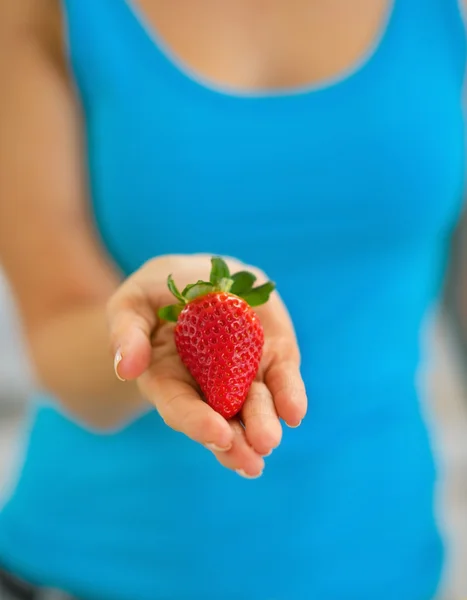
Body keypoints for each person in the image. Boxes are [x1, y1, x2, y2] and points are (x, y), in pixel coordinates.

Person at [0, 0, 465, 598]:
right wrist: (152, 333)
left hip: (382, 561)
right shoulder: (41, 12)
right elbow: (57, 332)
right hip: (96, 568)